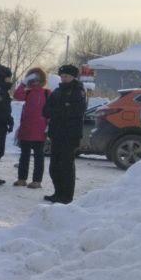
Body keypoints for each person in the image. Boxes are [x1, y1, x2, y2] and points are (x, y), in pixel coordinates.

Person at [44, 64, 87, 204]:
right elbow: (46, 110)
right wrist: (61, 109)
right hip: (56, 133)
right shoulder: (57, 91)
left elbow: (76, 111)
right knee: (54, 166)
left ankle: (67, 196)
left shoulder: (78, 91)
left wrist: (59, 110)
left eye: (66, 76)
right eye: (62, 76)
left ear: (73, 77)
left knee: (66, 166)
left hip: (70, 134)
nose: (64, 79)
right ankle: (58, 192)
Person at [13, 67, 50, 189]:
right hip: (26, 129)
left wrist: (49, 126)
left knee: (39, 156)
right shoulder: (27, 92)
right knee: (24, 155)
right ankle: (22, 179)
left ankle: (37, 181)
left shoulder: (47, 93)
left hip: (40, 131)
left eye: (37, 79)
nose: (35, 82)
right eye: (33, 79)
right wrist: (23, 82)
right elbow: (17, 95)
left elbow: (52, 111)